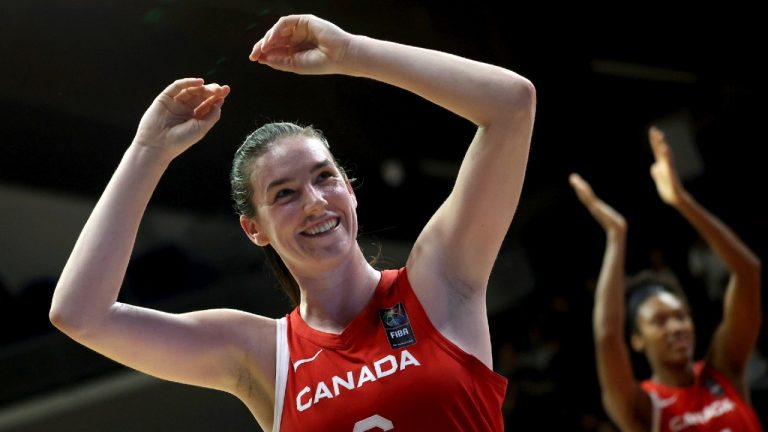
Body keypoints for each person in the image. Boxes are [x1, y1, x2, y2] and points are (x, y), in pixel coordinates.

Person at [50, 14, 536, 431]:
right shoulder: (260, 354)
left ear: (349, 187)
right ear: (254, 229)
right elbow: (79, 313)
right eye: (284, 193)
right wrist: (147, 153)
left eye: (324, 178)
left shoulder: (438, 282)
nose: (314, 203)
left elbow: (512, 104)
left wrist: (352, 53)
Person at [569, 126, 763, 431]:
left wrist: (681, 200)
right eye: (659, 321)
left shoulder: (724, 370)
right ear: (637, 340)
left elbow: (748, 273)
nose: (675, 327)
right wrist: (616, 236)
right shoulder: (643, 408)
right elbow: (607, 335)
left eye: (680, 316)